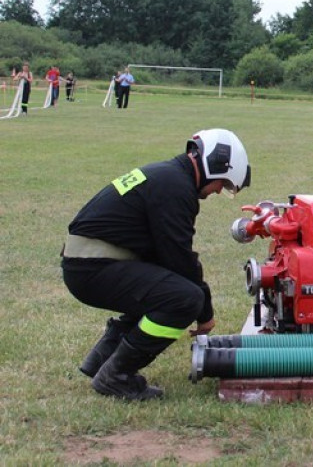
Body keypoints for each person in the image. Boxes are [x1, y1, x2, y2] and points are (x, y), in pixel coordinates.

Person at [62, 128, 251, 400]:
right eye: (223, 183)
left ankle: (101, 361)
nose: (219, 190)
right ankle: (116, 376)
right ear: (214, 165)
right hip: (93, 267)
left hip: (86, 262)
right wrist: (204, 311)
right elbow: (180, 259)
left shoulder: (166, 176)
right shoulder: (175, 187)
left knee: (162, 290)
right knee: (184, 299)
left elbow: (166, 257)